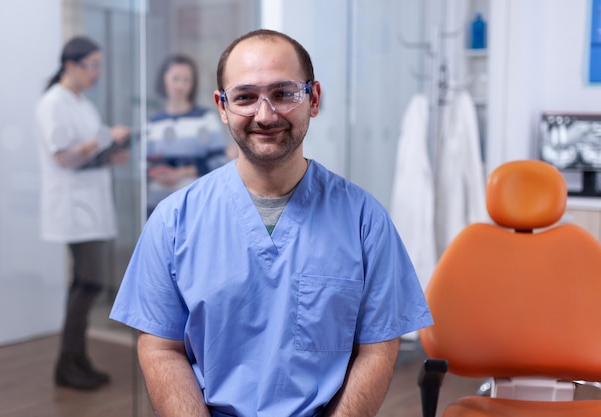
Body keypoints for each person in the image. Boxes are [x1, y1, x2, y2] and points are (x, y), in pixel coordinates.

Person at [110, 29, 432, 416]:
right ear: (222, 106)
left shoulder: (365, 221)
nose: (265, 115)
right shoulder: (173, 221)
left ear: (313, 99)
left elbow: (378, 347)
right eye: (245, 97)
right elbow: (162, 347)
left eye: (284, 93)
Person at [35, 35, 130, 390]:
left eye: (99, 65)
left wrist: (109, 153)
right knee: (89, 283)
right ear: (71, 65)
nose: (98, 73)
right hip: (72, 208)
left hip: (91, 205)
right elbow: (64, 157)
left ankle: (77, 358)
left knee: (85, 283)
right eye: (92, 65)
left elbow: (87, 155)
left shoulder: (83, 104)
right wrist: (106, 137)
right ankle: (67, 362)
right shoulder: (53, 103)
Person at [146, 53, 232, 214]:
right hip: (157, 206)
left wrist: (179, 173)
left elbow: (218, 162)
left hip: (195, 205)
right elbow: (143, 165)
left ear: (193, 84)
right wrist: (155, 172)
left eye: (186, 80)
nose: (180, 85)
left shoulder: (206, 119)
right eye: (175, 79)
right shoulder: (152, 123)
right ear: (164, 79)